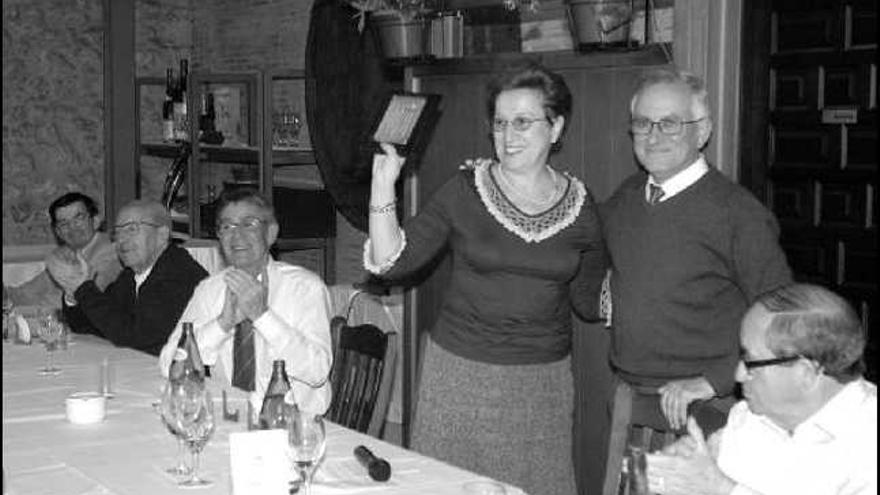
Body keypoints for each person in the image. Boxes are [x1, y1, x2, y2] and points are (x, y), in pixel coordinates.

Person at [366, 63, 607, 495]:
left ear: (556, 128)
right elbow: (393, 263)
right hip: (460, 381)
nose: (508, 136)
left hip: (542, 389)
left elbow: (590, 300)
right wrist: (383, 186)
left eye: (522, 122)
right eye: (499, 123)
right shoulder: (465, 190)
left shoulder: (583, 207)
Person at [587, 67, 792, 437]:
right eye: (643, 123)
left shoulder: (738, 213)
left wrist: (714, 381)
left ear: (703, 130)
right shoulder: (624, 200)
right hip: (631, 400)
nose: (653, 135)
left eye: (670, 123)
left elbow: (781, 314)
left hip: (705, 409)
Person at [646, 283, 877, 495]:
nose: (738, 375)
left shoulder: (866, 443)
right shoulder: (750, 416)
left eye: (751, 362)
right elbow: (699, 472)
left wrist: (720, 489)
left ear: (805, 373)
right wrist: (673, 471)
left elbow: (713, 484)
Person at [157, 189, 333, 415]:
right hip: (229, 419)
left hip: (294, 423)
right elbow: (168, 365)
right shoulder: (210, 290)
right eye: (227, 227)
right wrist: (222, 324)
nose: (236, 236)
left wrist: (263, 317)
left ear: (270, 233)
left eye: (249, 224)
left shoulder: (305, 288)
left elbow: (317, 372)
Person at [49, 199, 207, 356]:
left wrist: (85, 290)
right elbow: (93, 326)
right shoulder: (130, 275)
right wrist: (74, 293)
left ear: (162, 234)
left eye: (131, 229)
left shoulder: (178, 273)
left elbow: (138, 339)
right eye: (117, 232)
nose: (122, 240)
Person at [4, 192, 121, 308]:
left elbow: (85, 300)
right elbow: (25, 294)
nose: (72, 227)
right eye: (64, 224)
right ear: (58, 232)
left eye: (78, 219)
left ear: (95, 221)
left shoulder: (114, 254)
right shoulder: (65, 254)